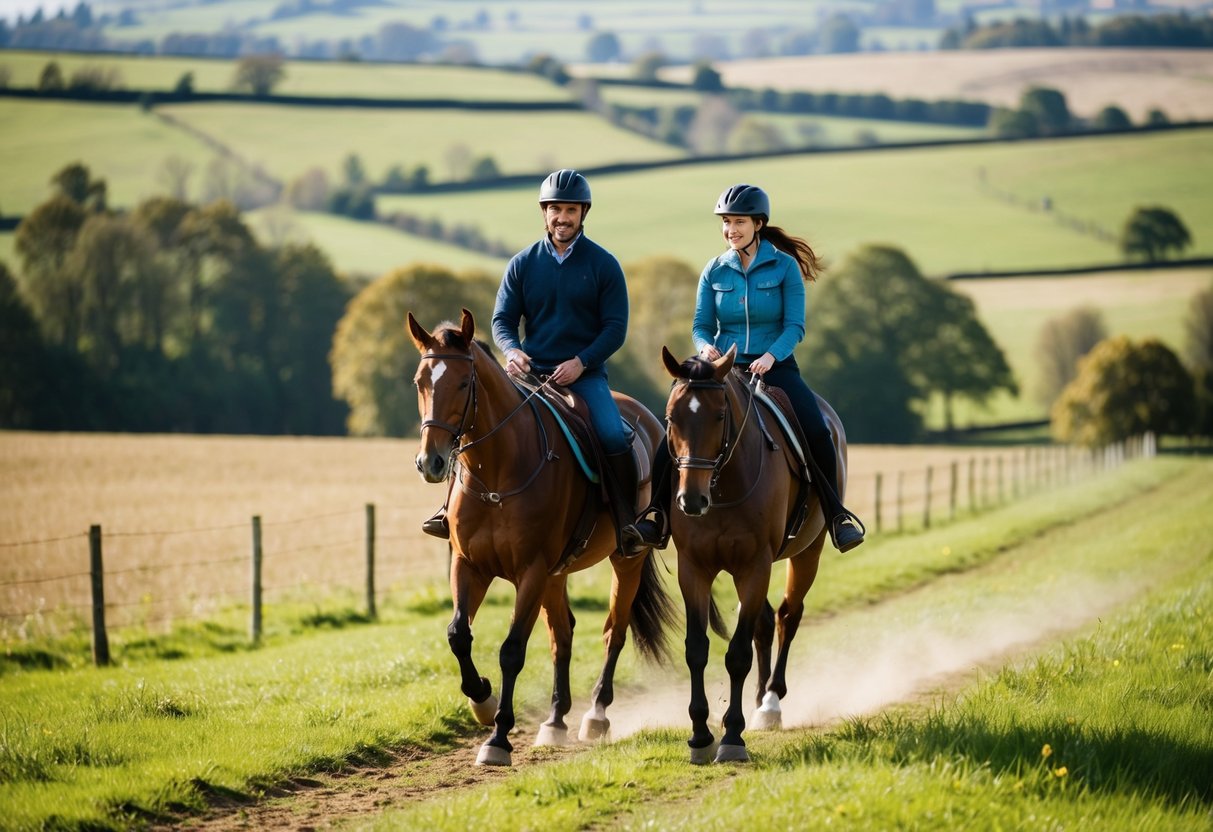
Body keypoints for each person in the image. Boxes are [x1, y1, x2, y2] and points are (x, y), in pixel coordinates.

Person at [422, 169, 661, 554]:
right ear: (544, 213)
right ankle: (449, 508)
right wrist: (512, 350)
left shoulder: (604, 265)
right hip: (529, 375)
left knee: (614, 435)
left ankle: (626, 523)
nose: (562, 217)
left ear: (583, 213)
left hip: (584, 377)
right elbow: (502, 320)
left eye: (570, 210)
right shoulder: (522, 263)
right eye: (555, 209)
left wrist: (582, 362)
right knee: (476, 421)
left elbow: (615, 328)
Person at [684, 183, 864, 553]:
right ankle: (656, 514)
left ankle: (836, 516)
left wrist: (771, 357)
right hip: (725, 370)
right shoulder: (714, 270)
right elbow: (700, 324)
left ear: (759, 224)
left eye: (739, 222)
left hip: (775, 367)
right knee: (680, 419)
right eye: (726, 222)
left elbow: (794, 325)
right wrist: (705, 348)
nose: (731, 229)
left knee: (817, 431)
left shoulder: (784, 268)